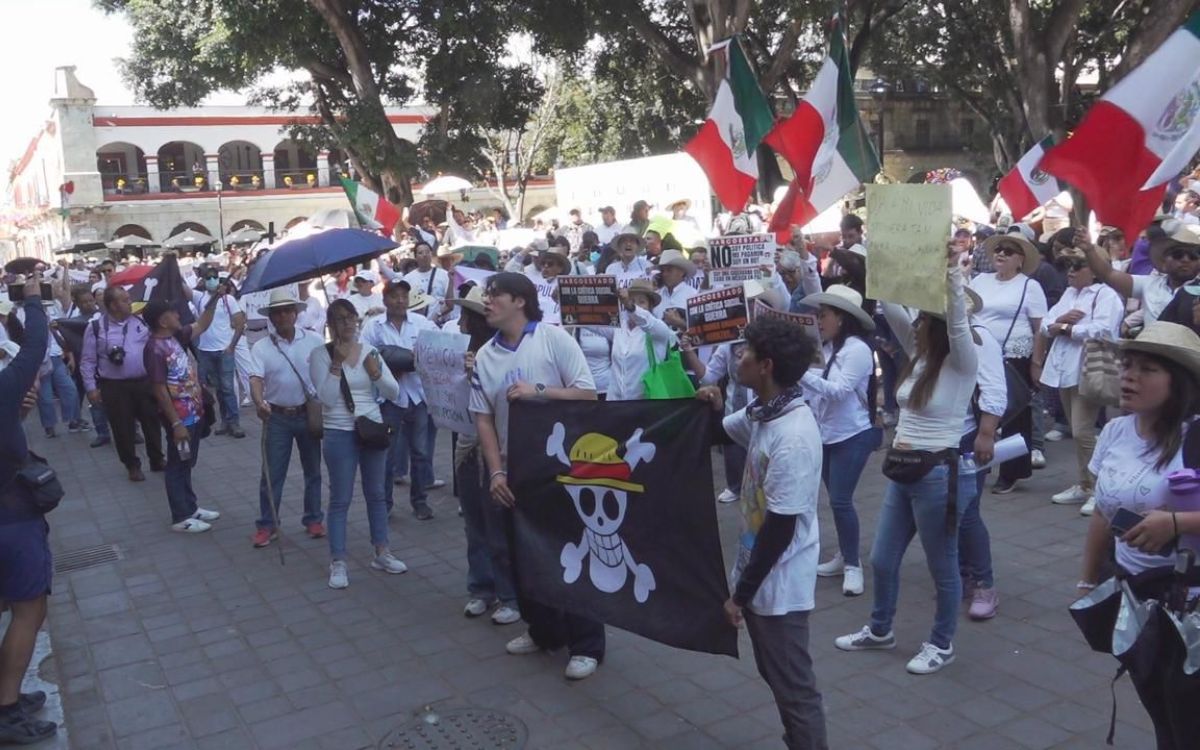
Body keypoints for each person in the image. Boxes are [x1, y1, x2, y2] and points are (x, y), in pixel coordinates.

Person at [836, 247, 978, 675]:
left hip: (939, 475)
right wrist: (878, 262)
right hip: (903, 470)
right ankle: (881, 630)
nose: (912, 325)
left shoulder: (961, 361)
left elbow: (956, 322)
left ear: (935, 324)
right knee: (882, 559)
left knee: (942, 567)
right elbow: (891, 307)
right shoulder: (918, 358)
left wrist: (952, 270)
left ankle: (941, 643)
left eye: (921, 320)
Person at [696, 317, 829, 750]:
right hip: (760, 579)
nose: (739, 357)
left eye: (746, 352)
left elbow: (780, 529)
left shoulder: (791, 435)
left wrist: (741, 595)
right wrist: (712, 404)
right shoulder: (765, 412)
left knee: (794, 688)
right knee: (778, 677)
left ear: (766, 365)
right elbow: (719, 433)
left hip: (779, 586)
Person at [468, 272, 600, 680]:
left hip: (560, 468)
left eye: (495, 296)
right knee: (519, 556)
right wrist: (496, 472)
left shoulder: (553, 339)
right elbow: (484, 419)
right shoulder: (485, 355)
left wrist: (539, 390)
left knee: (570, 556)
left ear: (520, 301)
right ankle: (544, 631)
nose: (486, 303)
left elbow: (587, 393)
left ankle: (586, 644)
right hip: (513, 472)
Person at [1077, 321, 1200, 749]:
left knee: (1188, 716)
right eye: (1127, 365)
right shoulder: (1114, 431)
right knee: (1158, 708)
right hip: (1135, 599)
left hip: (1189, 603)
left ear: (1178, 382)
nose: (1129, 376)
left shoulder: (1196, 436)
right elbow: (1102, 514)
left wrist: (1177, 523)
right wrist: (1089, 580)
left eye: (1147, 369)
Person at [310, 299, 407, 588]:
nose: (347, 324)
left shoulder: (370, 351)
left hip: (372, 428)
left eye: (351, 318)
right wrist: (337, 364)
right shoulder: (320, 354)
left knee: (376, 493)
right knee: (340, 498)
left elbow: (393, 392)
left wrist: (376, 372)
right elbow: (325, 398)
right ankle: (338, 560)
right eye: (340, 319)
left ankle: (382, 551)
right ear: (330, 325)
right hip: (338, 431)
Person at [0, 275, 58, 745]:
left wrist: (15, 419)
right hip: (10, 517)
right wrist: (35, 299)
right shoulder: (3, 387)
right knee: (28, 607)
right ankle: (6, 707)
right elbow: (35, 345)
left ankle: (8, 693)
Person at [797, 285, 879, 597]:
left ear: (842, 319)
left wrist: (800, 373)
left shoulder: (856, 349)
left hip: (851, 435)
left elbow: (840, 391)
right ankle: (845, 555)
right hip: (827, 434)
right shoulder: (828, 349)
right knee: (835, 500)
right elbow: (816, 393)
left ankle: (853, 566)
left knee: (841, 501)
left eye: (825, 315)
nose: (819, 321)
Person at [1033, 244, 1124, 516]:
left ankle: (1101, 487)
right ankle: (1086, 484)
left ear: (1095, 270)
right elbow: (1045, 325)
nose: (1070, 272)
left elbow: (1105, 328)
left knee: (1083, 431)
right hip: (1065, 368)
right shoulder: (1070, 293)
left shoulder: (1107, 295)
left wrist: (1067, 328)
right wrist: (1060, 322)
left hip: (1089, 368)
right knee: (1077, 431)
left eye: (1077, 266)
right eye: (1069, 267)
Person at [451, 287, 520, 625]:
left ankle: (509, 594)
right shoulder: (457, 349)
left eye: (468, 314)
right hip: (466, 444)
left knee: (497, 525)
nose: (461, 320)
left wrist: (475, 372)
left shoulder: (498, 354)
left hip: (493, 449)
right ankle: (481, 587)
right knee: (474, 522)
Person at [248, 288, 325, 547]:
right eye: (276, 312)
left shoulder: (314, 340)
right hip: (277, 416)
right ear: (270, 317)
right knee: (271, 474)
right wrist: (259, 403)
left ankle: (313, 518)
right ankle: (267, 524)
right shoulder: (261, 347)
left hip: (307, 413)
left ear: (296, 313)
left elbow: (327, 371)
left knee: (313, 470)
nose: (282, 316)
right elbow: (255, 379)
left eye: (286, 311)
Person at [970, 232, 1046, 494]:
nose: (1001, 254)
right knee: (980, 411)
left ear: (1020, 260)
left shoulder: (1029, 286)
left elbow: (1040, 329)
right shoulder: (980, 279)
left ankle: (1010, 472)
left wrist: (1037, 363)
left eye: (1009, 251)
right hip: (979, 353)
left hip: (1013, 356)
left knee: (1013, 413)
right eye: (998, 249)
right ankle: (978, 462)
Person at [143, 298, 223, 533]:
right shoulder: (154, 348)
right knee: (178, 464)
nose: (178, 316)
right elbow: (158, 389)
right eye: (173, 313)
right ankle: (181, 516)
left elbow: (201, 325)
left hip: (193, 414)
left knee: (186, 461)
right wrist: (175, 422)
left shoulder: (174, 337)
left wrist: (214, 299)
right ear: (162, 320)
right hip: (179, 418)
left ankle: (191, 507)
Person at [360, 280, 439, 520]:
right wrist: (384, 370)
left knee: (421, 453)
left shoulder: (423, 324)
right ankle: (384, 504)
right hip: (389, 399)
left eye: (404, 295)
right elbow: (364, 358)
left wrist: (417, 362)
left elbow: (437, 353)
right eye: (394, 296)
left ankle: (420, 501)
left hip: (418, 397)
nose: (400, 300)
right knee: (387, 455)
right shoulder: (373, 327)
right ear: (385, 300)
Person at [81, 286, 164, 482]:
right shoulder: (95, 327)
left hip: (144, 382)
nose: (130, 302)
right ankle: (132, 465)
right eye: (125, 300)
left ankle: (157, 459)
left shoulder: (141, 321)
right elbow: (87, 361)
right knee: (122, 427)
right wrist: (91, 388)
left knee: (151, 422)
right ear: (113, 305)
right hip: (114, 386)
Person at [1083, 221, 1199, 327]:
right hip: (1151, 348)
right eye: (1178, 254)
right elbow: (1108, 274)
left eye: (1193, 255)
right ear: (1164, 260)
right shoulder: (1150, 284)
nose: (1185, 260)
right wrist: (1089, 250)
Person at [192, 269, 246, 438]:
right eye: (208, 277)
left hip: (224, 350)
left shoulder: (228, 299)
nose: (212, 280)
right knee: (219, 390)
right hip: (206, 351)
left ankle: (234, 422)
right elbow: (181, 288)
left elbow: (239, 323)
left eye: (215, 277)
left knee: (228, 387)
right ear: (203, 280)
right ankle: (225, 420)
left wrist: (232, 346)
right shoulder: (199, 298)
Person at [608, 280, 677, 401]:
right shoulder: (619, 327)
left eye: (642, 302)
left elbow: (646, 321)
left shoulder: (658, 329)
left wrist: (630, 306)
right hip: (616, 403)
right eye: (632, 301)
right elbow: (589, 321)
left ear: (650, 306)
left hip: (646, 402)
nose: (636, 305)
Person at [652, 249, 698, 318]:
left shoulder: (693, 295)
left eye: (669, 270)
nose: (665, 274)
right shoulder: (657, 296)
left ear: (681, 272)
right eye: (662, 271)